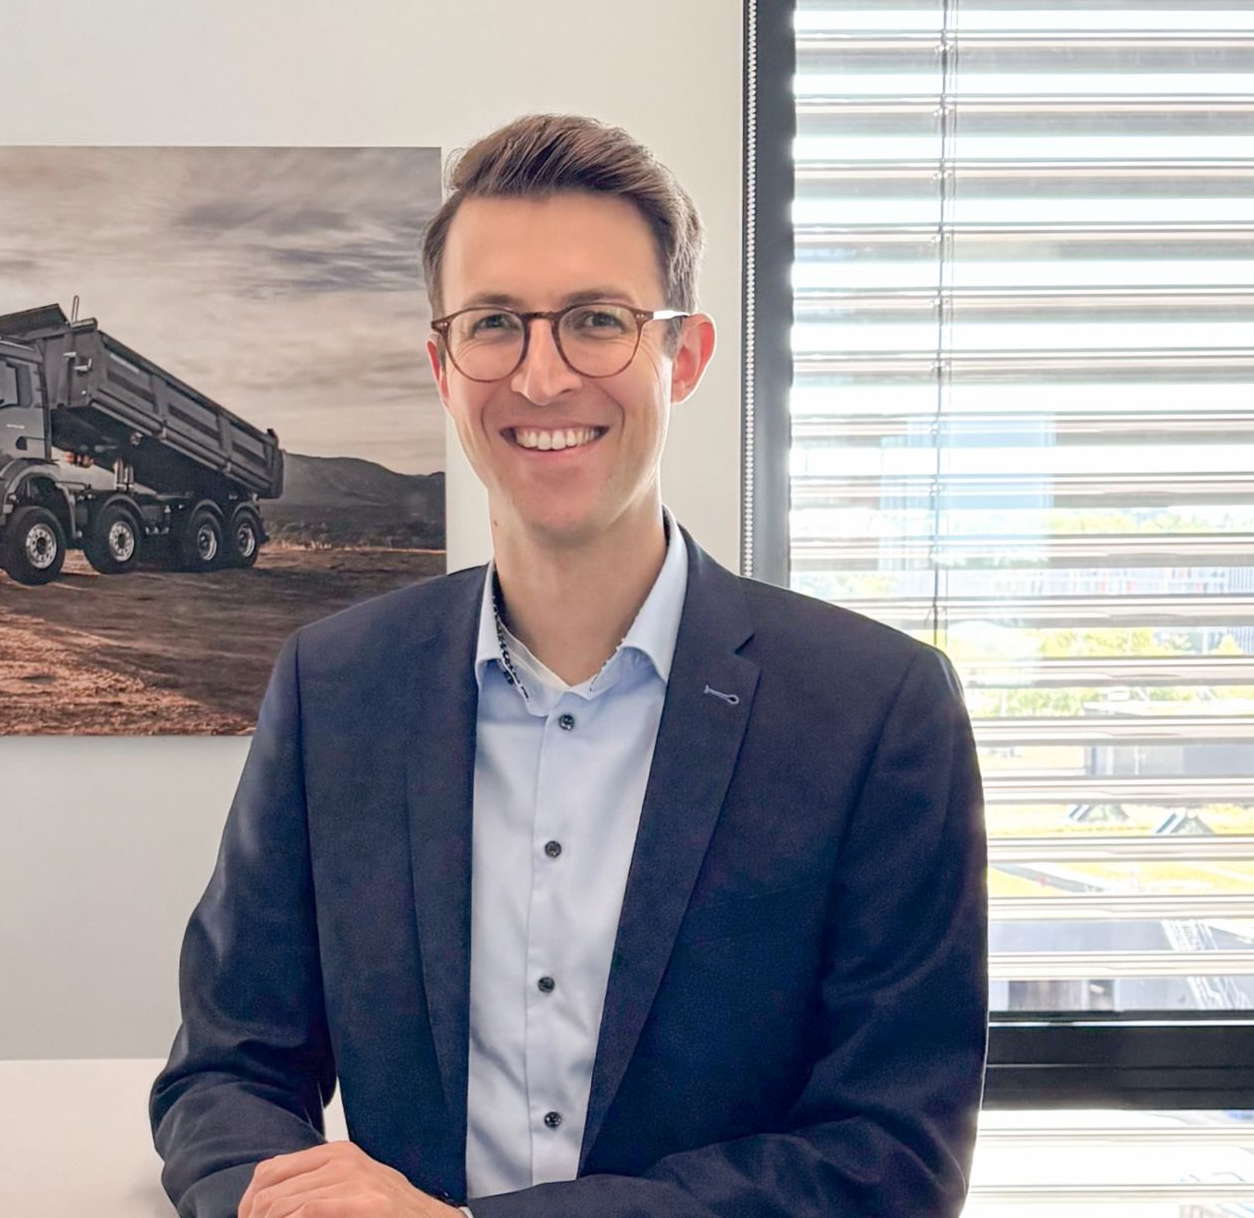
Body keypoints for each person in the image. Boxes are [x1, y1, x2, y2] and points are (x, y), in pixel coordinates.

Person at [150, 113, 988, 1218]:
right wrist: (275, 1194)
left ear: (681, 357)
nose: (542, 378)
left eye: (598, 320)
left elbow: (893, 1153)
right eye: (496, 323)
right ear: (444, 365)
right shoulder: (334, 685)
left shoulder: (878, 709)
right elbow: (226, 1071)